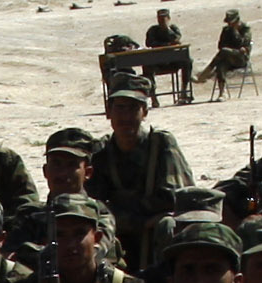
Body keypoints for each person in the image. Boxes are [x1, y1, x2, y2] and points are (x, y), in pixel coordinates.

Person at [84, 82, 198, 256]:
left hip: (155, 233)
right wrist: (137, 220)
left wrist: (123, 206)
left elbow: (173, 198)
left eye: (133, 108)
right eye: (120, 108)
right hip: (120, 228)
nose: (126, 116)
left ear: (144, 112)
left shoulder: (161, 145)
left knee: (169, 225)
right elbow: (93, 203)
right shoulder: (102, 151)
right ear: (109, 112)